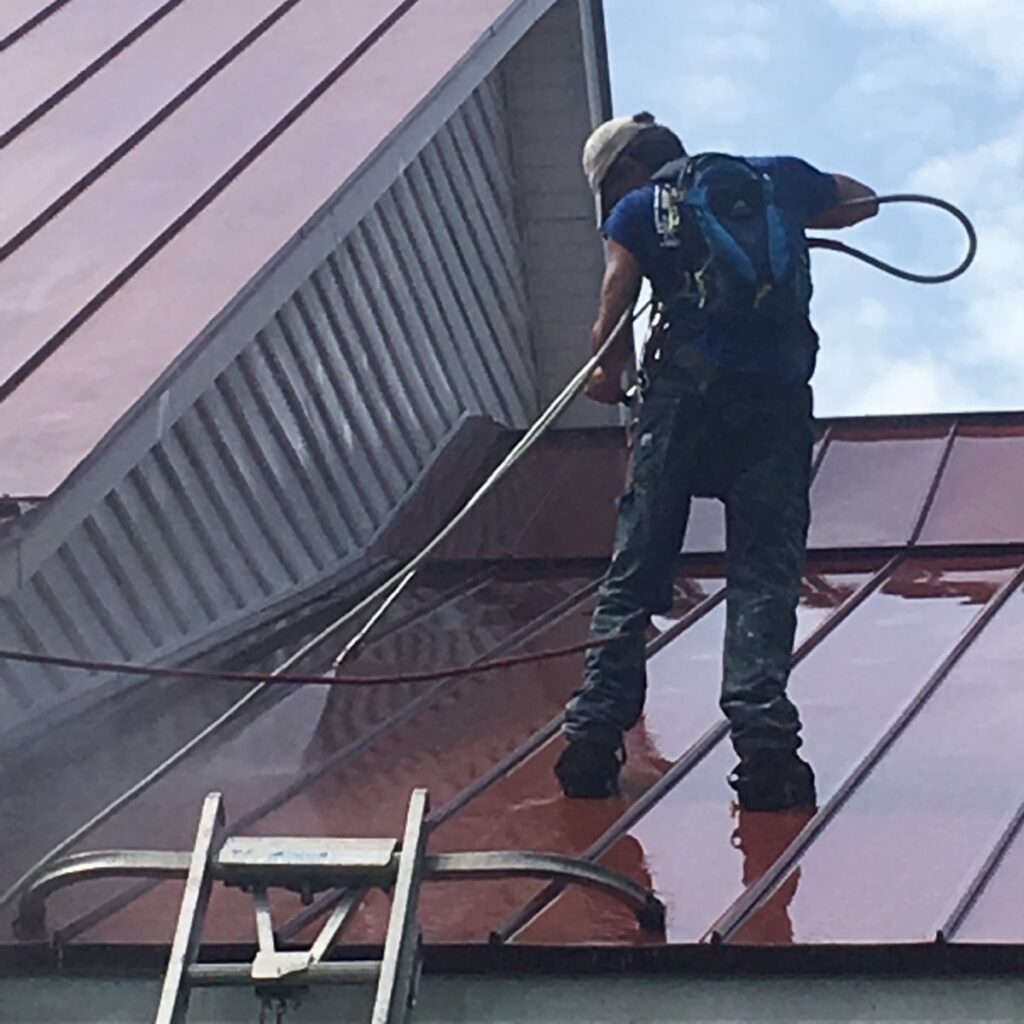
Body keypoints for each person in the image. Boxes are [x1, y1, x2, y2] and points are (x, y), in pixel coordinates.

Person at [554, 112, 877, 809]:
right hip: (776, 407)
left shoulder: (643, 210)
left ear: (627, 171)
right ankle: (765, 752)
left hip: (684, 401)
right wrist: (779, 219)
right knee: (763, 573)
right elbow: (862, 200)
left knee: (638, 564)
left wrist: (607, 373)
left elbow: (617, 292)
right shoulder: (777, 178)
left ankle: (592, 735)